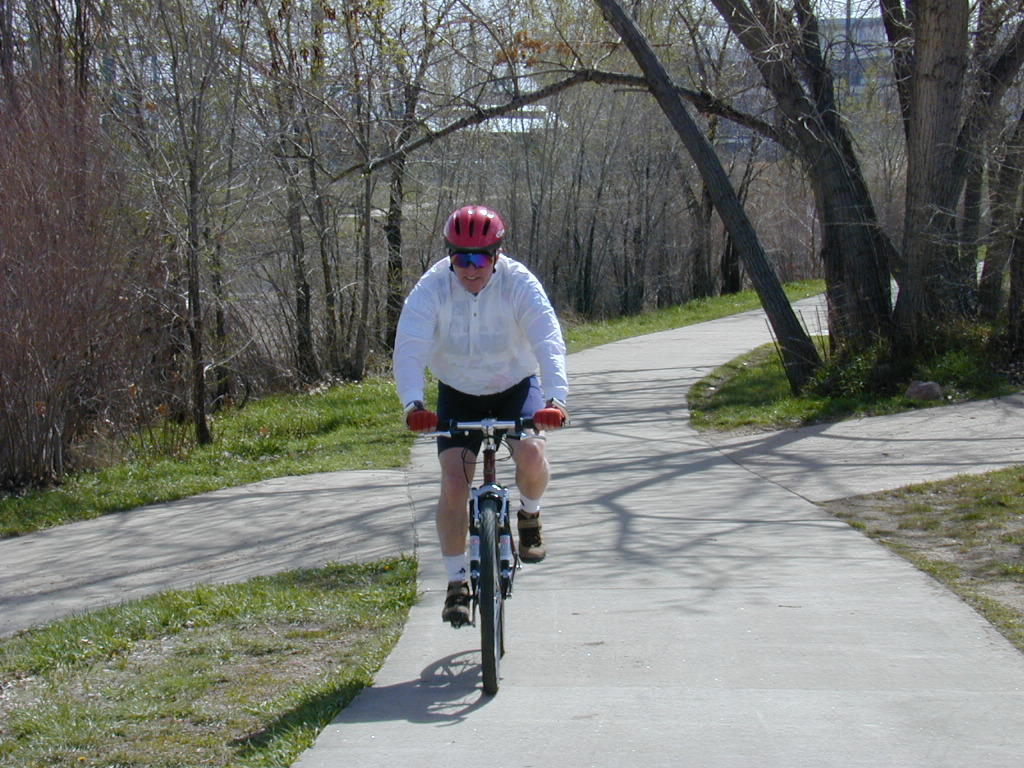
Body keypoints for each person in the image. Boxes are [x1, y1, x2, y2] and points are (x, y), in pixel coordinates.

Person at [393, 204, 569, 627]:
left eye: (480, 258)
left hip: (515, 385)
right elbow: (409, 346)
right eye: (461, 258)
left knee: (531, 454)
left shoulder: (519, 283)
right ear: (449, 256)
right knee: (455, 484)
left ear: (497, 255)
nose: (470, 269)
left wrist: (556, 400)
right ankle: (457, 583)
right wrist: (414, 405)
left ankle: (529, 514)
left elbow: (547, 339)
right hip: (458, 391)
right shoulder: (432, 288)